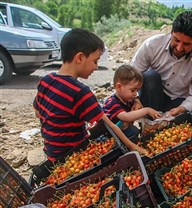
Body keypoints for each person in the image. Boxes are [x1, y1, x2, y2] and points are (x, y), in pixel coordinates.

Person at [33, 28, 148, 161]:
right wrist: (133, 146)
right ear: (80, 58)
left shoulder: (46, 81)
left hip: (51, 154)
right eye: (95, 61)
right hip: (74, 156)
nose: (96, 67)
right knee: (127, 137)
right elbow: (109, 125)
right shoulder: (80, 92)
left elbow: (38, 111)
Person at [130, 11, 192, 121]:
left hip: (179, 100)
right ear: (171, 32)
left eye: (187, 44)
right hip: (152, 96)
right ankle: (148, 120)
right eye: (176, 40)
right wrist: (135, 100)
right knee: (150, 77)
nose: (179, 48)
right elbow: (131, 76)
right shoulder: (152, 45)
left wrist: (182, 108)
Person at [102, 64, 162, 138]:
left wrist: (136, 102)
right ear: (119, 87)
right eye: (133, 90)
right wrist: (147, 110)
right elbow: (126, 117)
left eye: (137, 90)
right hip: (108, 135)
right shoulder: (111, 103)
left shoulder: (127, 100)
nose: (135, 94)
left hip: (121, 130)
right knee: (133, 131)